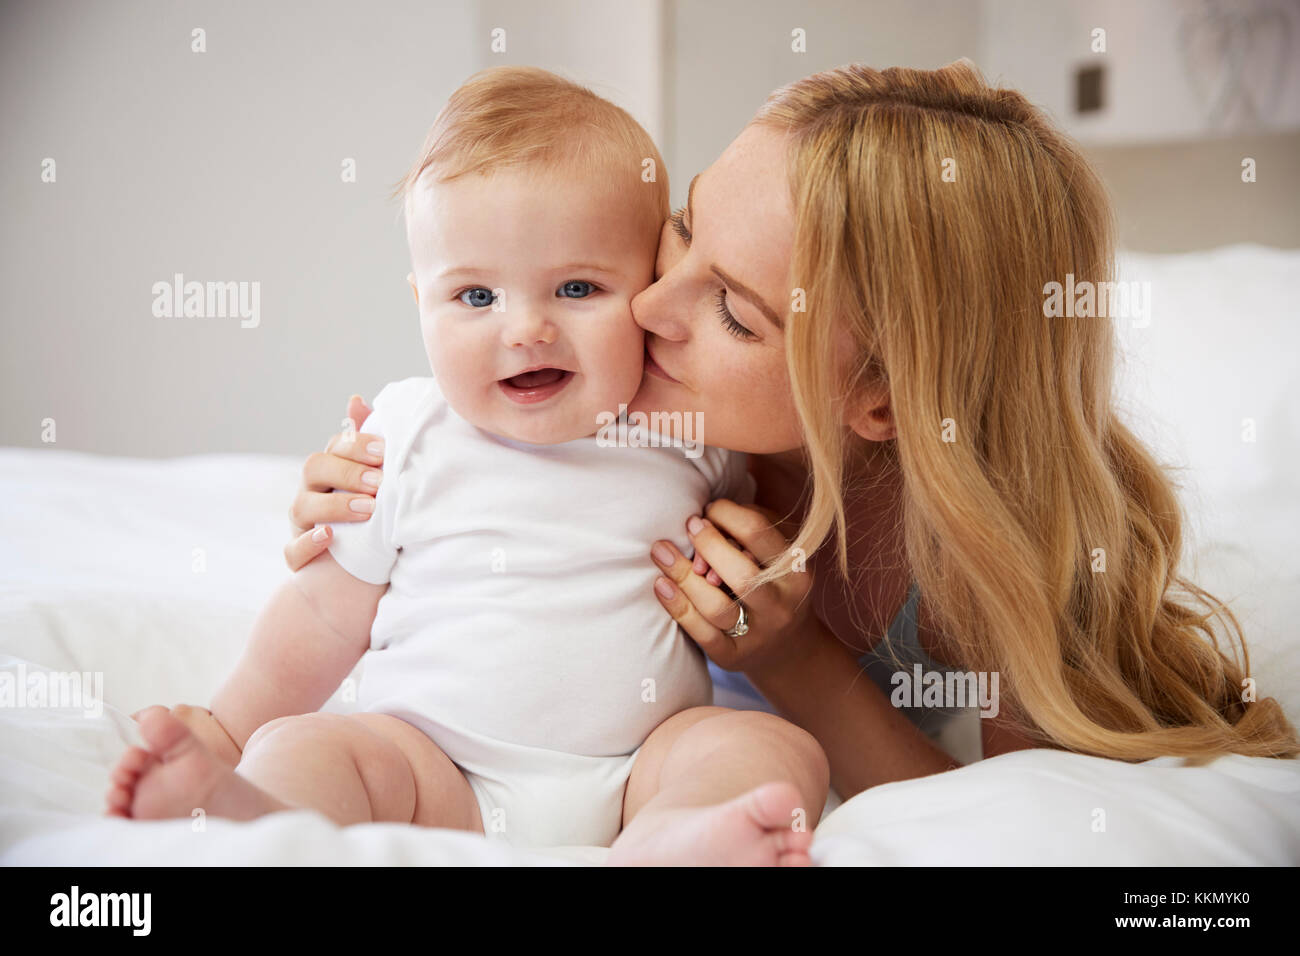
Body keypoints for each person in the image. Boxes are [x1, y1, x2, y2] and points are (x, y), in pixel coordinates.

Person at [287, 60, 1299, 809]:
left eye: (733, 311)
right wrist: (357, 489)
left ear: (883, 400)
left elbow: (989, 808)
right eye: (684, 229)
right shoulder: (660, 410)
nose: (646, 307)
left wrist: (794, 661)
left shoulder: (974, 566)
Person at [105, 67, 829, 866]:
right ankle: (251, 813)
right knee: (315, 749)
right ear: (422, 302)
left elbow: (759, 542)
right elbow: (320, 616)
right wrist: (229, 727)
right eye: (476, 298)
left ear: (645, 288)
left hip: (636, 767)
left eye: (578, 287)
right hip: (434, 762)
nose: (526, 330)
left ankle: (676, 840)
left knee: (769, 748)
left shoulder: (684, 433)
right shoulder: (406, 437)